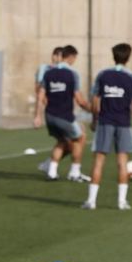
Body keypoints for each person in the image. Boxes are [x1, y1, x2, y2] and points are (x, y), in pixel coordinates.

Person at [84, 43, 132, 210]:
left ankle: (91, 201)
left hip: (105, 121)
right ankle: (122, 202)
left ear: (113, 56)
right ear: (128, 57)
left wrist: (94, 119)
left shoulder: (103, 75)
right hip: (124, 123)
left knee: (99, 161)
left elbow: (95, 100)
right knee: (122, 162)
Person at [35, 45, 91, 182]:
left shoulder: (49, 73)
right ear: (71, 57)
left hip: (50, 115)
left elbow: (40, 96)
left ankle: (52, 172)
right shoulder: (72, 74)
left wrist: (38, 116)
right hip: (64, 115)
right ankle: (75, 172)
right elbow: (79, 100)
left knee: (62, 140)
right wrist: (93, 110)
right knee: (80, 137)